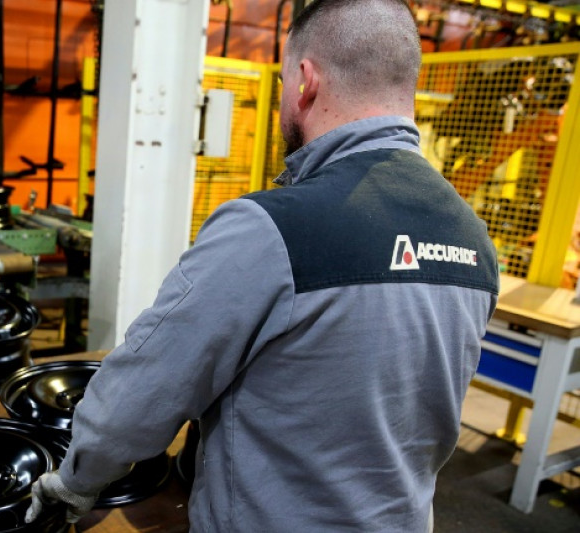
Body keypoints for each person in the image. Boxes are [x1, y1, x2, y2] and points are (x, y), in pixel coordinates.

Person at [25, 0, 500, 531]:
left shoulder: (271, 228)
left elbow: (146, 384)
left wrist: (77, 478)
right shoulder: (472, 235)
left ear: (304, 81)